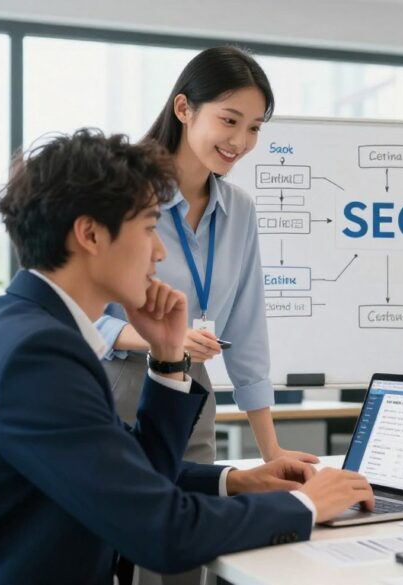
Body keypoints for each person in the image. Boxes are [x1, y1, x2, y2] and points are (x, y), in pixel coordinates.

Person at [0, 129, 375, 583]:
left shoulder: (26, 330)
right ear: (90, 234)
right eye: (148, 229)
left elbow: (129, 469)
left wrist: (233, 476)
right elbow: (163, 533)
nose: (159, 253)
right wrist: (308, 504)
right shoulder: (37, 358)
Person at [94, 46, 308, 468]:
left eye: (253, 128)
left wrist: (272, 453)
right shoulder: (120, 192)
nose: (240, 142)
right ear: (183, 108)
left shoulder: (240, 210)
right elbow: (79, 313)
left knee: (195, 520)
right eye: (229, 120)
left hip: (194, 390)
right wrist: (161, 340)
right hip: (116, 384)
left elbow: (247, 333)